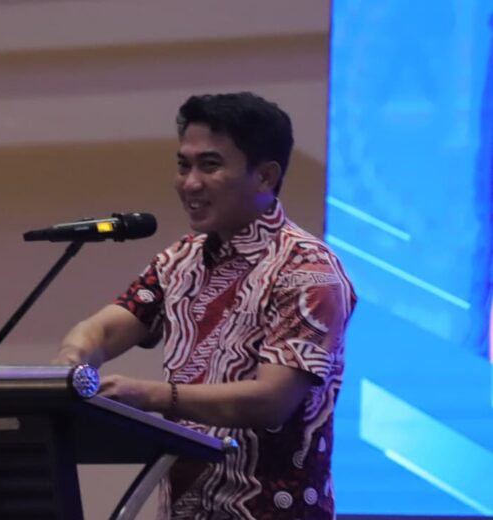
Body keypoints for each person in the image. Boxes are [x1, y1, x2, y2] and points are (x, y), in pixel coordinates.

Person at [54, 92, 356, 519]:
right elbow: (103, 330)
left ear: (265, 176)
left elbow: (272, 399)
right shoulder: (180, 259)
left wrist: (151, 395)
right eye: (184, 165)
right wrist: (72, 363)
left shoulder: (307, 269)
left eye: (209, 166)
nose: (189, 183)